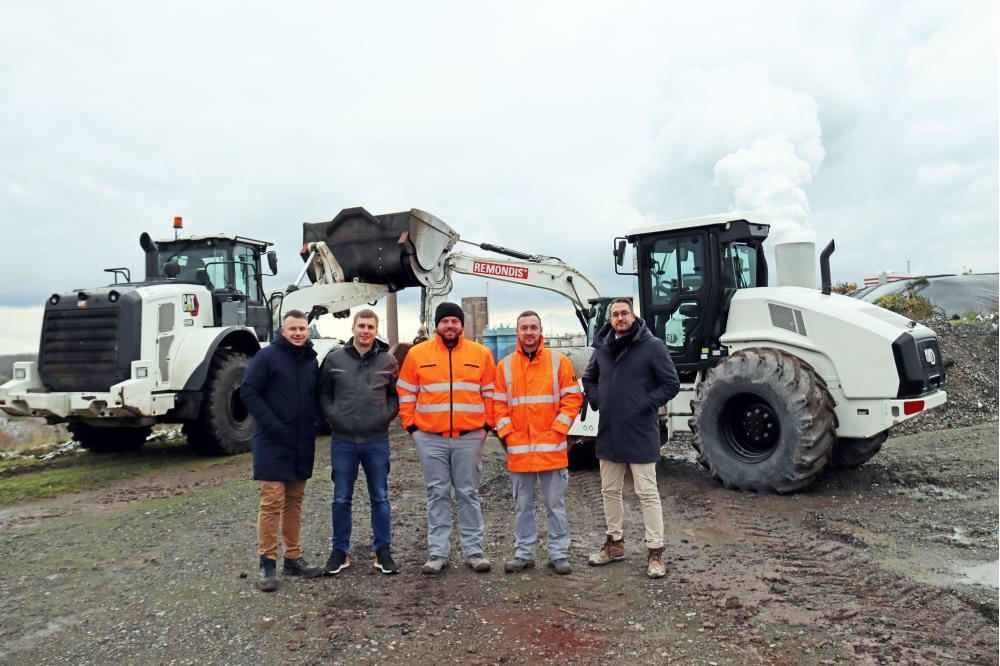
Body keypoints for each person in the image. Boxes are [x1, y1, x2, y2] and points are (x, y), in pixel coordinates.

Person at [582, 297, 679, 578]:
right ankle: (614, 544)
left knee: (647, 493)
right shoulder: (602, 348)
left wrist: (644, 404)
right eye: (615, 314)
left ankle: (655, 553)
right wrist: (600, 401)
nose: (620, 318)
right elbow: (589, 379)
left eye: (624, 313)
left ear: (633, 316)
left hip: (640, 430)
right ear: (610, 319)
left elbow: (670, 383)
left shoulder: (652, 347)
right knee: (609, 491)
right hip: (610, 431)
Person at [396, 302, 497, 575]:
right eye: (445, 321)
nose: (450, 325)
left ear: (461, 325)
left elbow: (491, 393)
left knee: (468, 493)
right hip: (430, 438)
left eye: (454, 321)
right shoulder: (418, 354)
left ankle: (475, 552)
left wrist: (486, 427)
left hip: (469, 437)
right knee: (437, 493)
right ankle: (437, 554)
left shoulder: (481, 354)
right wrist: (413, 428)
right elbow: (405, 392)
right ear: (436, 325)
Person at [493, 311, 583, 575]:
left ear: (540, 330)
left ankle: (559, 554)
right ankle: (524, 554)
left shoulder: (559, 362)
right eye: (524, 328)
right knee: (522, 507)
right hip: (520, 451)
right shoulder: (505, 366)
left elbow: (572, 399)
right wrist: (508, 434)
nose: (529, 332)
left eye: (533, 327)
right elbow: (497, 405)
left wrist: (558, 430)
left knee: (555, 506)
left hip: (552, 450)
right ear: (517, 332)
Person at [241, 309, 324, 591]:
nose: (299, 333)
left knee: (294, 502)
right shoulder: (266, 357)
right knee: (272, 501)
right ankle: (267, 563)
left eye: (302, 328)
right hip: (273, 441)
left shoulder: (311, 360)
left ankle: (293, 557)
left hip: (302, 441)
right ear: (282, 330)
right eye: (293, 329)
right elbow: (248, 392)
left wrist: (318, 423)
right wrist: (273, 424)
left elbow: (316, 395)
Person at [318, 308, 400, 576]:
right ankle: (340, 552)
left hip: (376, 440)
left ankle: (383, 551)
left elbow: (394, 397)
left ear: (376, 331)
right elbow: (324, 394)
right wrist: (335, 418)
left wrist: (383, 418)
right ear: (353, 327)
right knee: (341, 498)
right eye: (361, 326)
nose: (365, 331)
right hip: (343, 441)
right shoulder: (334, 360)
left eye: (371, 327)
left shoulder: (387, 361)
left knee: (380, 497)